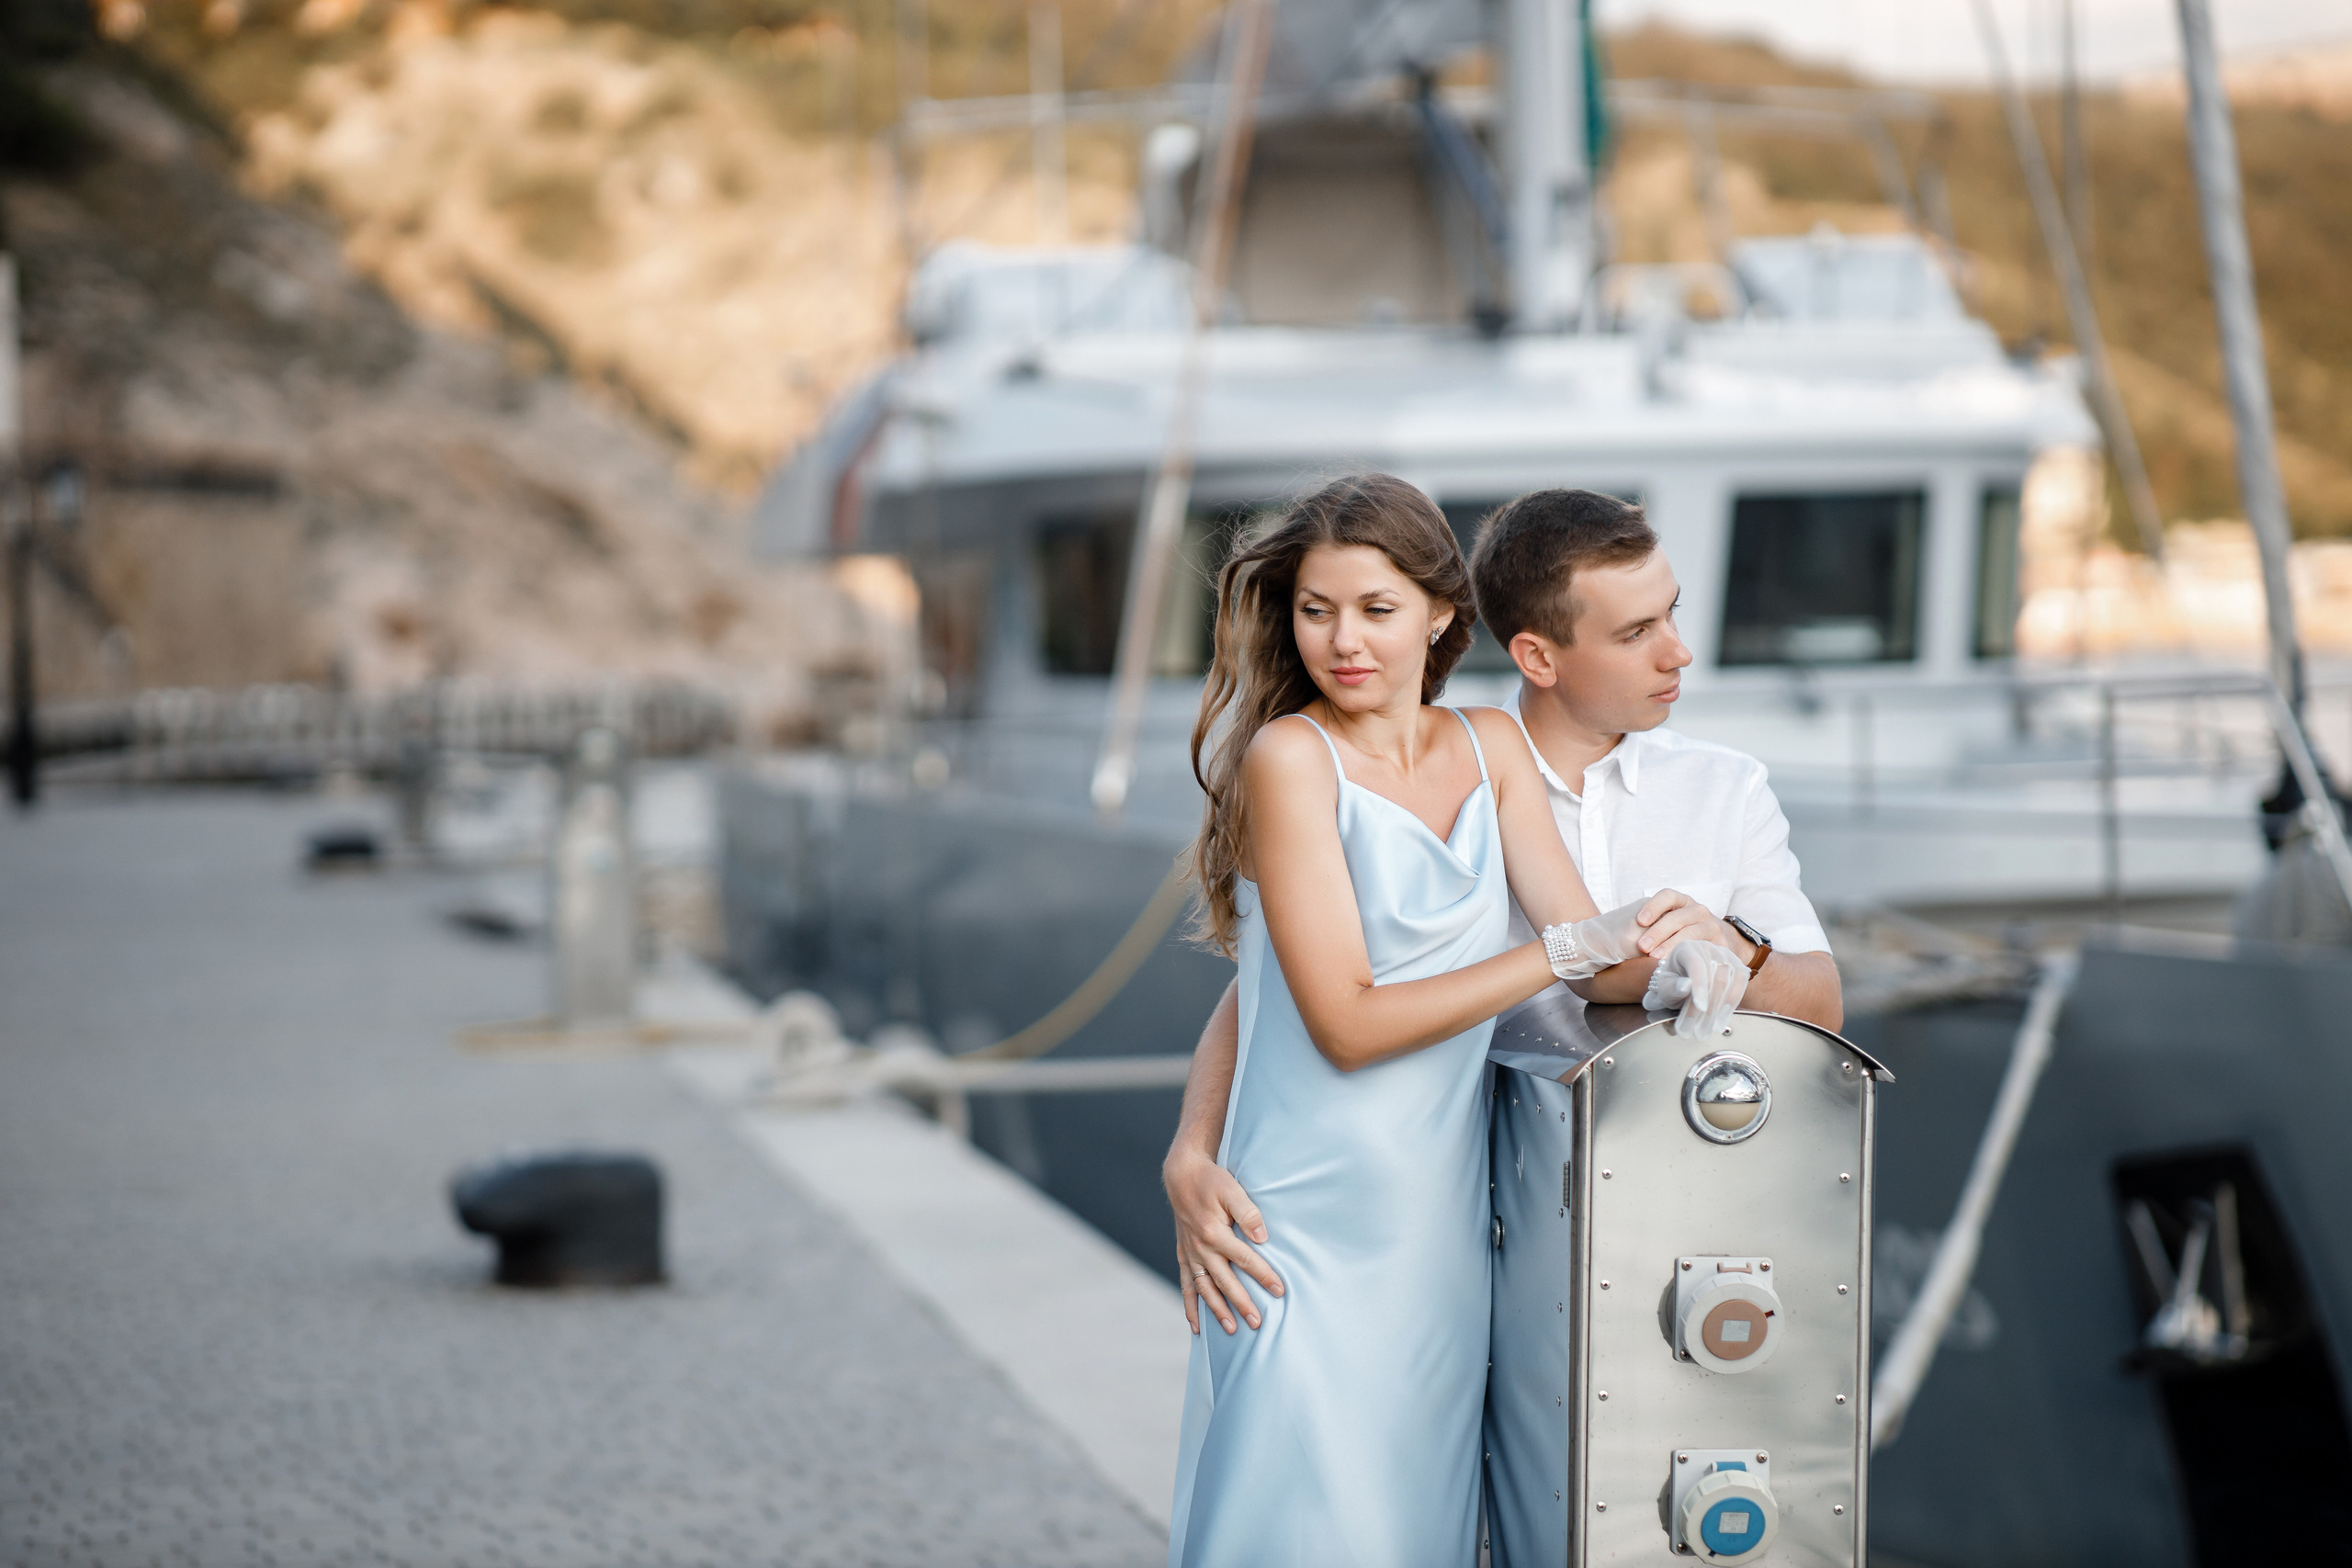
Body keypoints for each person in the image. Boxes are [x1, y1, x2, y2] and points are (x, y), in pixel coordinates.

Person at [1163, 474, 1730, 1568]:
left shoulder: (1489, 747)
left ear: (1436, 611)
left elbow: (1591, 959)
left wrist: (1687, 966)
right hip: (1296, 1237)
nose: (1341, 642)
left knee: (1407, 1536)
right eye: (1315, 609)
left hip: (1434, 1242)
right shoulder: (1292, 759)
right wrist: (1560, 953)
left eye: (1374, 610)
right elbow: (1338, 1020)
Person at [1168, 487, 1843, 1349]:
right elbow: (1278, 984)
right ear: (1537, 654)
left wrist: (1724, 950)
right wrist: (1193, 1145)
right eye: (1636, 633)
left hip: (1636, 1227)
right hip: (1432, 1200)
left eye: (1669, 615)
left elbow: (1802, 999)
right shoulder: (1384, 762)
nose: (1679, 654)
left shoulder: (1713, 786)